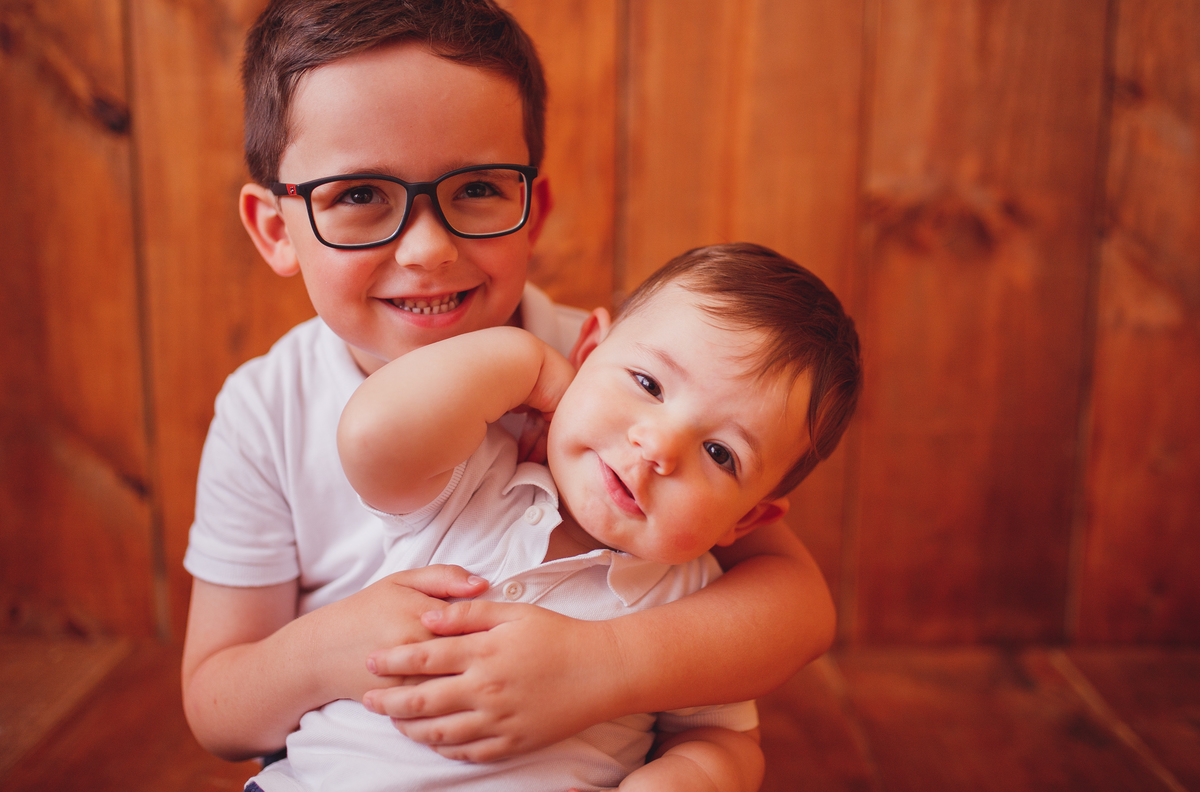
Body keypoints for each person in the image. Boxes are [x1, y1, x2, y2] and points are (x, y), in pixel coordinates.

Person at [181, 0, 839, 769]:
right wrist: (335, 649)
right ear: (276, 230)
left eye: (477, 188)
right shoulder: (266, 412)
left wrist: (601, 666)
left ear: (533, 210)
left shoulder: (629, 382)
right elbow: (218, 709)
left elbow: (799, 609)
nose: (426, 249)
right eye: (358, 195)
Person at [245, 243, 862, 792]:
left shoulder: (699, 603)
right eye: (648, 384)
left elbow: (722, 739)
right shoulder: (474, 479)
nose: (658, 446)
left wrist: (682, 778)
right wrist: (531, 364)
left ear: (746, 520)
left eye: (720, 454)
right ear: (587, 351)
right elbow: (373, 435)